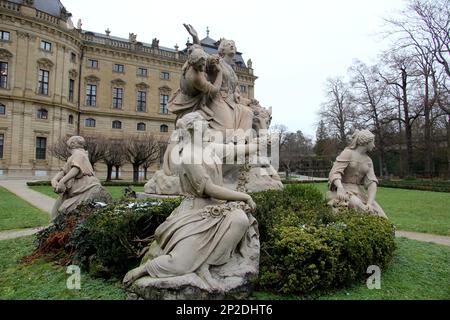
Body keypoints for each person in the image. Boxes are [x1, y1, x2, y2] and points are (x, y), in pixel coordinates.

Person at [123, 112, 260, 291]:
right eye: (203, 121)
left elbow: (238, 150)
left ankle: (206, 266)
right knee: (180, 264)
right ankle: (145, 270)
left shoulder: (210, 148)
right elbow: (209, 189)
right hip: (195, 212)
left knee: (240, 220)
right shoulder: (188, 155)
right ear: (193, 128)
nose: (207, 124)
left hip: (218, 208)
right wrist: (244, 196)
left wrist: (260, 144)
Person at [327, 130, 387, 218]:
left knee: (380, 214)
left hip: (359, 192)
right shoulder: (348, 153)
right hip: (343, 189)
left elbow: (372, 183)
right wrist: (339, 187)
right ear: (366, 142)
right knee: (357, 204)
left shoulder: (368, 160)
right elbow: (335, 172)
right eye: (372, 143)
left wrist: (370, 203)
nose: (373, 146)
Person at [50, 136, 111, 220]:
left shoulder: (79, 153)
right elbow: (63, 171)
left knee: (63, 210)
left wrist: (62, 182)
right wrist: (54, 180)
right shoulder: (72, 157)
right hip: (75, 189)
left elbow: (76, 169)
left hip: (86, 188)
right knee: (57, 211)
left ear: (72, 144)